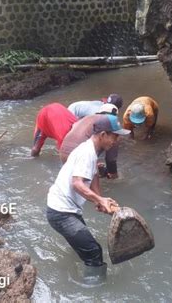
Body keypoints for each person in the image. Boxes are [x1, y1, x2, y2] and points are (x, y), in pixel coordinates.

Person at [46, 115, 130, 273]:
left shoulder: (92, 150)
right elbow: (77, 183)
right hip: (61, 213)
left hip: (66, 209)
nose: (116, 140)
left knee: (85, 245)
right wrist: (99, 199)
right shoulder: (87, 153)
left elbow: (94, 176)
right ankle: (95, 290)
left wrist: (99, 201)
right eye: (115, 136)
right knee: (94, 252)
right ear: (103, 135)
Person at [60, 104, 120, 179]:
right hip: (79, 156)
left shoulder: (86, 118)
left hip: (63, 152)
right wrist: (115, 177)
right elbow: (111, 160)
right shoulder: (110, 127)